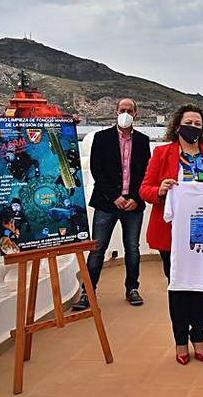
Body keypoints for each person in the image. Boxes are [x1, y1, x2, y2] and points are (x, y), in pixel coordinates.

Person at [140, 104, 203, 365]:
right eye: (189, 122)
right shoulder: (162, 153)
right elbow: (144, 189)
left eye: (198, 124)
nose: (193, 128)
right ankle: (180, 341)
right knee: (178, 285)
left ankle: (198, 336)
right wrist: (161, 190)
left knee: (201, 285)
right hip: (171, 234)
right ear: (177, 126)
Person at [73, 98, 151, 312]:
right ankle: (87, 293)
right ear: (116, 112)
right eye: (122, 110)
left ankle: (132, 289)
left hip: (134, 205)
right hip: (107, 204)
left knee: (132, 249)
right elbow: (97, 171)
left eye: (130, 110)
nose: (125, 113)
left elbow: (146, 173)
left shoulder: (144, 141)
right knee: (97, 249)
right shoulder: (101, 138)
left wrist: (136, 197)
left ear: (136, 114)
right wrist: (114, 196)